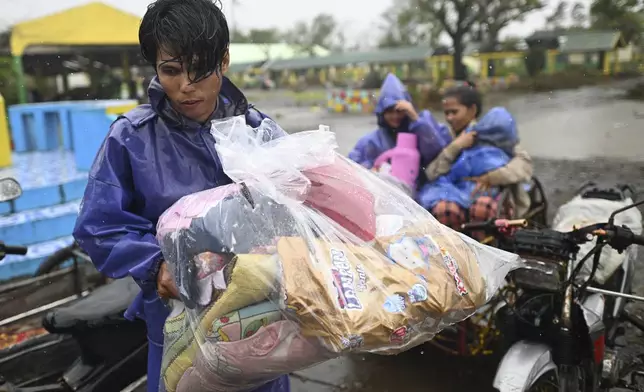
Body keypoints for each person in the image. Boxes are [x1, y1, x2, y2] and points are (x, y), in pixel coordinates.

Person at [72, 1, 289, 391]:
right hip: (179, 325)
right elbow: (98, 227)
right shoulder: (131, 138)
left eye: (199, 67)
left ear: (223, 61)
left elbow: (297, 206)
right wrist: (157, 267)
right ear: (155, 68)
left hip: (262, 318)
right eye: (170, 70)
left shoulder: (258, 130)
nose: (186, 84)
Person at [424, 83, 533, 230]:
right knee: (444, 210)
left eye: (454, 112)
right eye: (446, 113)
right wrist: (455, 147)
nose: (449, 118)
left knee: (482, 209)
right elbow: (431, 174)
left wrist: (490, 177)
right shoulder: (445, 137)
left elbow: (524, 165)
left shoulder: (495, 134)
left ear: (472, 110)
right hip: (454, 197)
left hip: (492, 197)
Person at [348, 74, 445, 175]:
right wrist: (369, 168)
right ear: (382, 113)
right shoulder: (370, 141)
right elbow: (353, 165)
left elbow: (436, 152)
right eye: (389, 112)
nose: (395, 116)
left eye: (400, 111)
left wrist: (416, 119)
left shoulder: (421, 131)